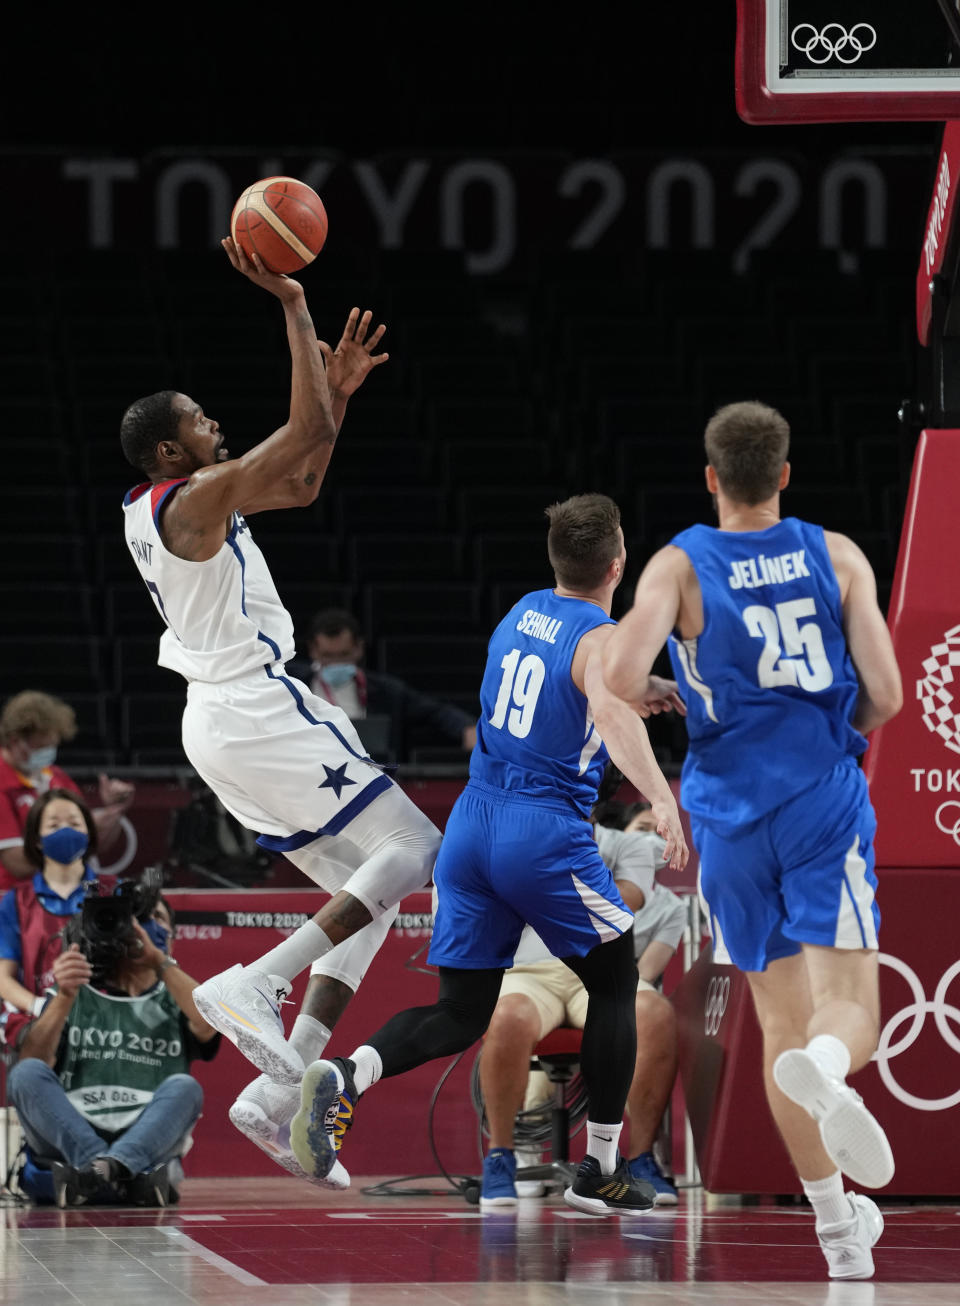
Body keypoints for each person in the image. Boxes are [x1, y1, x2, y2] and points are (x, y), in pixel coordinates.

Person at [117, 239, 442, 1142]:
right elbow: (296, 443)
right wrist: (295, 308)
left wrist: (333, 397)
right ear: (168, 447)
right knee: (415, 845)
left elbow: (300, 480)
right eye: (199, 417)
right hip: (257, 706)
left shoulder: (193, 504)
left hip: (222, 723)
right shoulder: (191, 500)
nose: (213, 421)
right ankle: (256, 980)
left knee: (368, 888)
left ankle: (288, 1077)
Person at [287, 492, 689, 1216]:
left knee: (461, 1010)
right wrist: (658, 795)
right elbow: (601, 704)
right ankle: (600, 1167)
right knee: (615, 979)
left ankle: (348, 1074)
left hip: (471, 826)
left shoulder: (520, 612)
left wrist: (635, 685)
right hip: (540, 829)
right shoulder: (602, 638)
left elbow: (576, 687)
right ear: (618, 563)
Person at [602, 400, 903, 1280]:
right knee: (849, 1011)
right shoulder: (835, 553)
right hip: (820, 798)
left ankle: (840, 1232)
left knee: (777, 1023)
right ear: (782, 473)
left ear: (710, 479)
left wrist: (668, 687)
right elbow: (884, 693)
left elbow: (619, 677)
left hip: (726, 814)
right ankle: (829, 1067)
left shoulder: (680, 563)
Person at [478, 801, 685, 1209]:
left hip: (601, 969)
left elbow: (628, 900)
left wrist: (549, 881)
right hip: (532, 972)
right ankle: (500, 1157)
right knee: (507, 1016)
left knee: (655, 1011)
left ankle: (641, 1159)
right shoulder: (516, 838)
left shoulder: (630, 845)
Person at [7, 888, 220, 1207]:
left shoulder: (176, 997)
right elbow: (34, 1062)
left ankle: (93, 1176)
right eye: (137, 919)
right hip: (73, 1130)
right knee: (25, 1073)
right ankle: (114, 1171)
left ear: (172, 937)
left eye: (157, 919)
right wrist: (64, 997)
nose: (145, 928)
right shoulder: (76, 988)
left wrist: (160, 963)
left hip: (144, 1133)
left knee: (186, 1087)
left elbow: (209, 1022)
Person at [288, 607, 477, 760]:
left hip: (371, 772)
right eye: (328, 656)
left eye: (344, 655)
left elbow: (435, 711)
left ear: (359, 649)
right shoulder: (292, 685)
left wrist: (466, 727)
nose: (336, 663)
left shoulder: (387, 690)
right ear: (313, 650)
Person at [0, 691, 136, 891]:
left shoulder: (55, 776)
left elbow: (94, 846)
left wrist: (113, 810)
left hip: (65, 891)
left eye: (52, 746)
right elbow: (16, 864)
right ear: (14, 741)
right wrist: (76, 836)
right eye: (41, 747)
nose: (47, 753)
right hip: (12, 901)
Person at [0, 788, 113, 1020]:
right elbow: (3, 977)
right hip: (41, 1024)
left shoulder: (114, 893)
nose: (65, 831)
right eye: (53, 825)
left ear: (89, 833)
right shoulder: (16, 901)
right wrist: (40, 1007)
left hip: (107, 1025)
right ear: (37, 841)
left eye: (74, 823)